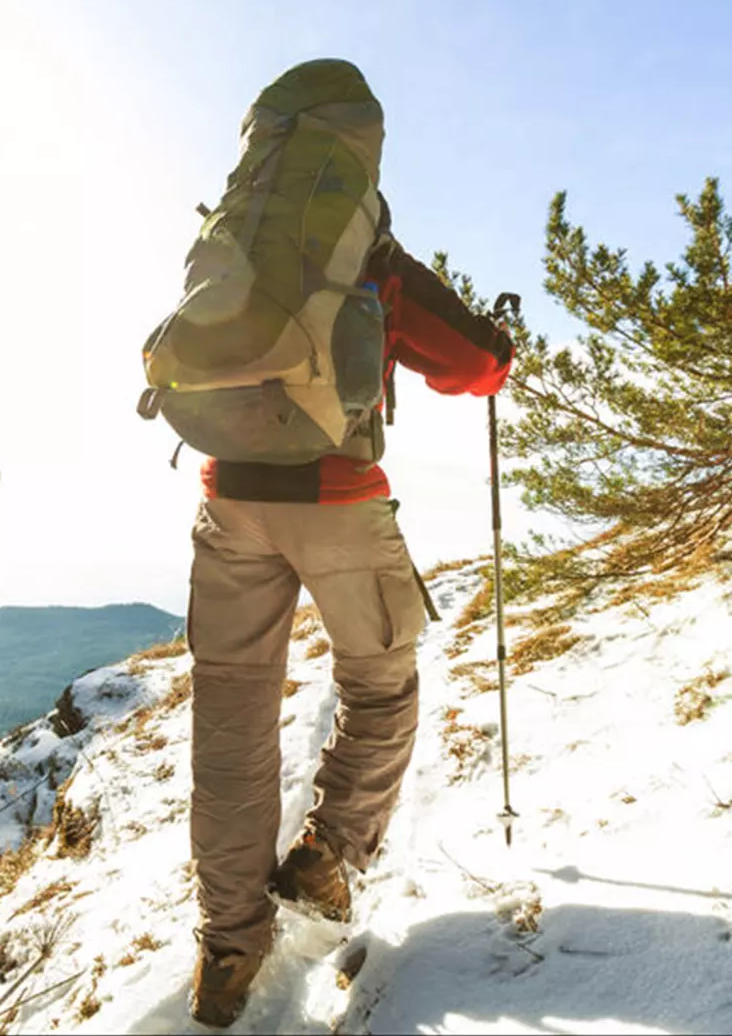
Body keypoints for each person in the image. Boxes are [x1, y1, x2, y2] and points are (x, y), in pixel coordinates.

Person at [186, 190, 512, 1028]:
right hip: (336, 495)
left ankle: (227, 949)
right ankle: (327, 854)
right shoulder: (378, 266)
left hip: (230, 500)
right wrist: (500, 343)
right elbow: (476, 367)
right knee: (380, 683)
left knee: (230, 721)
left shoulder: (234, 248)